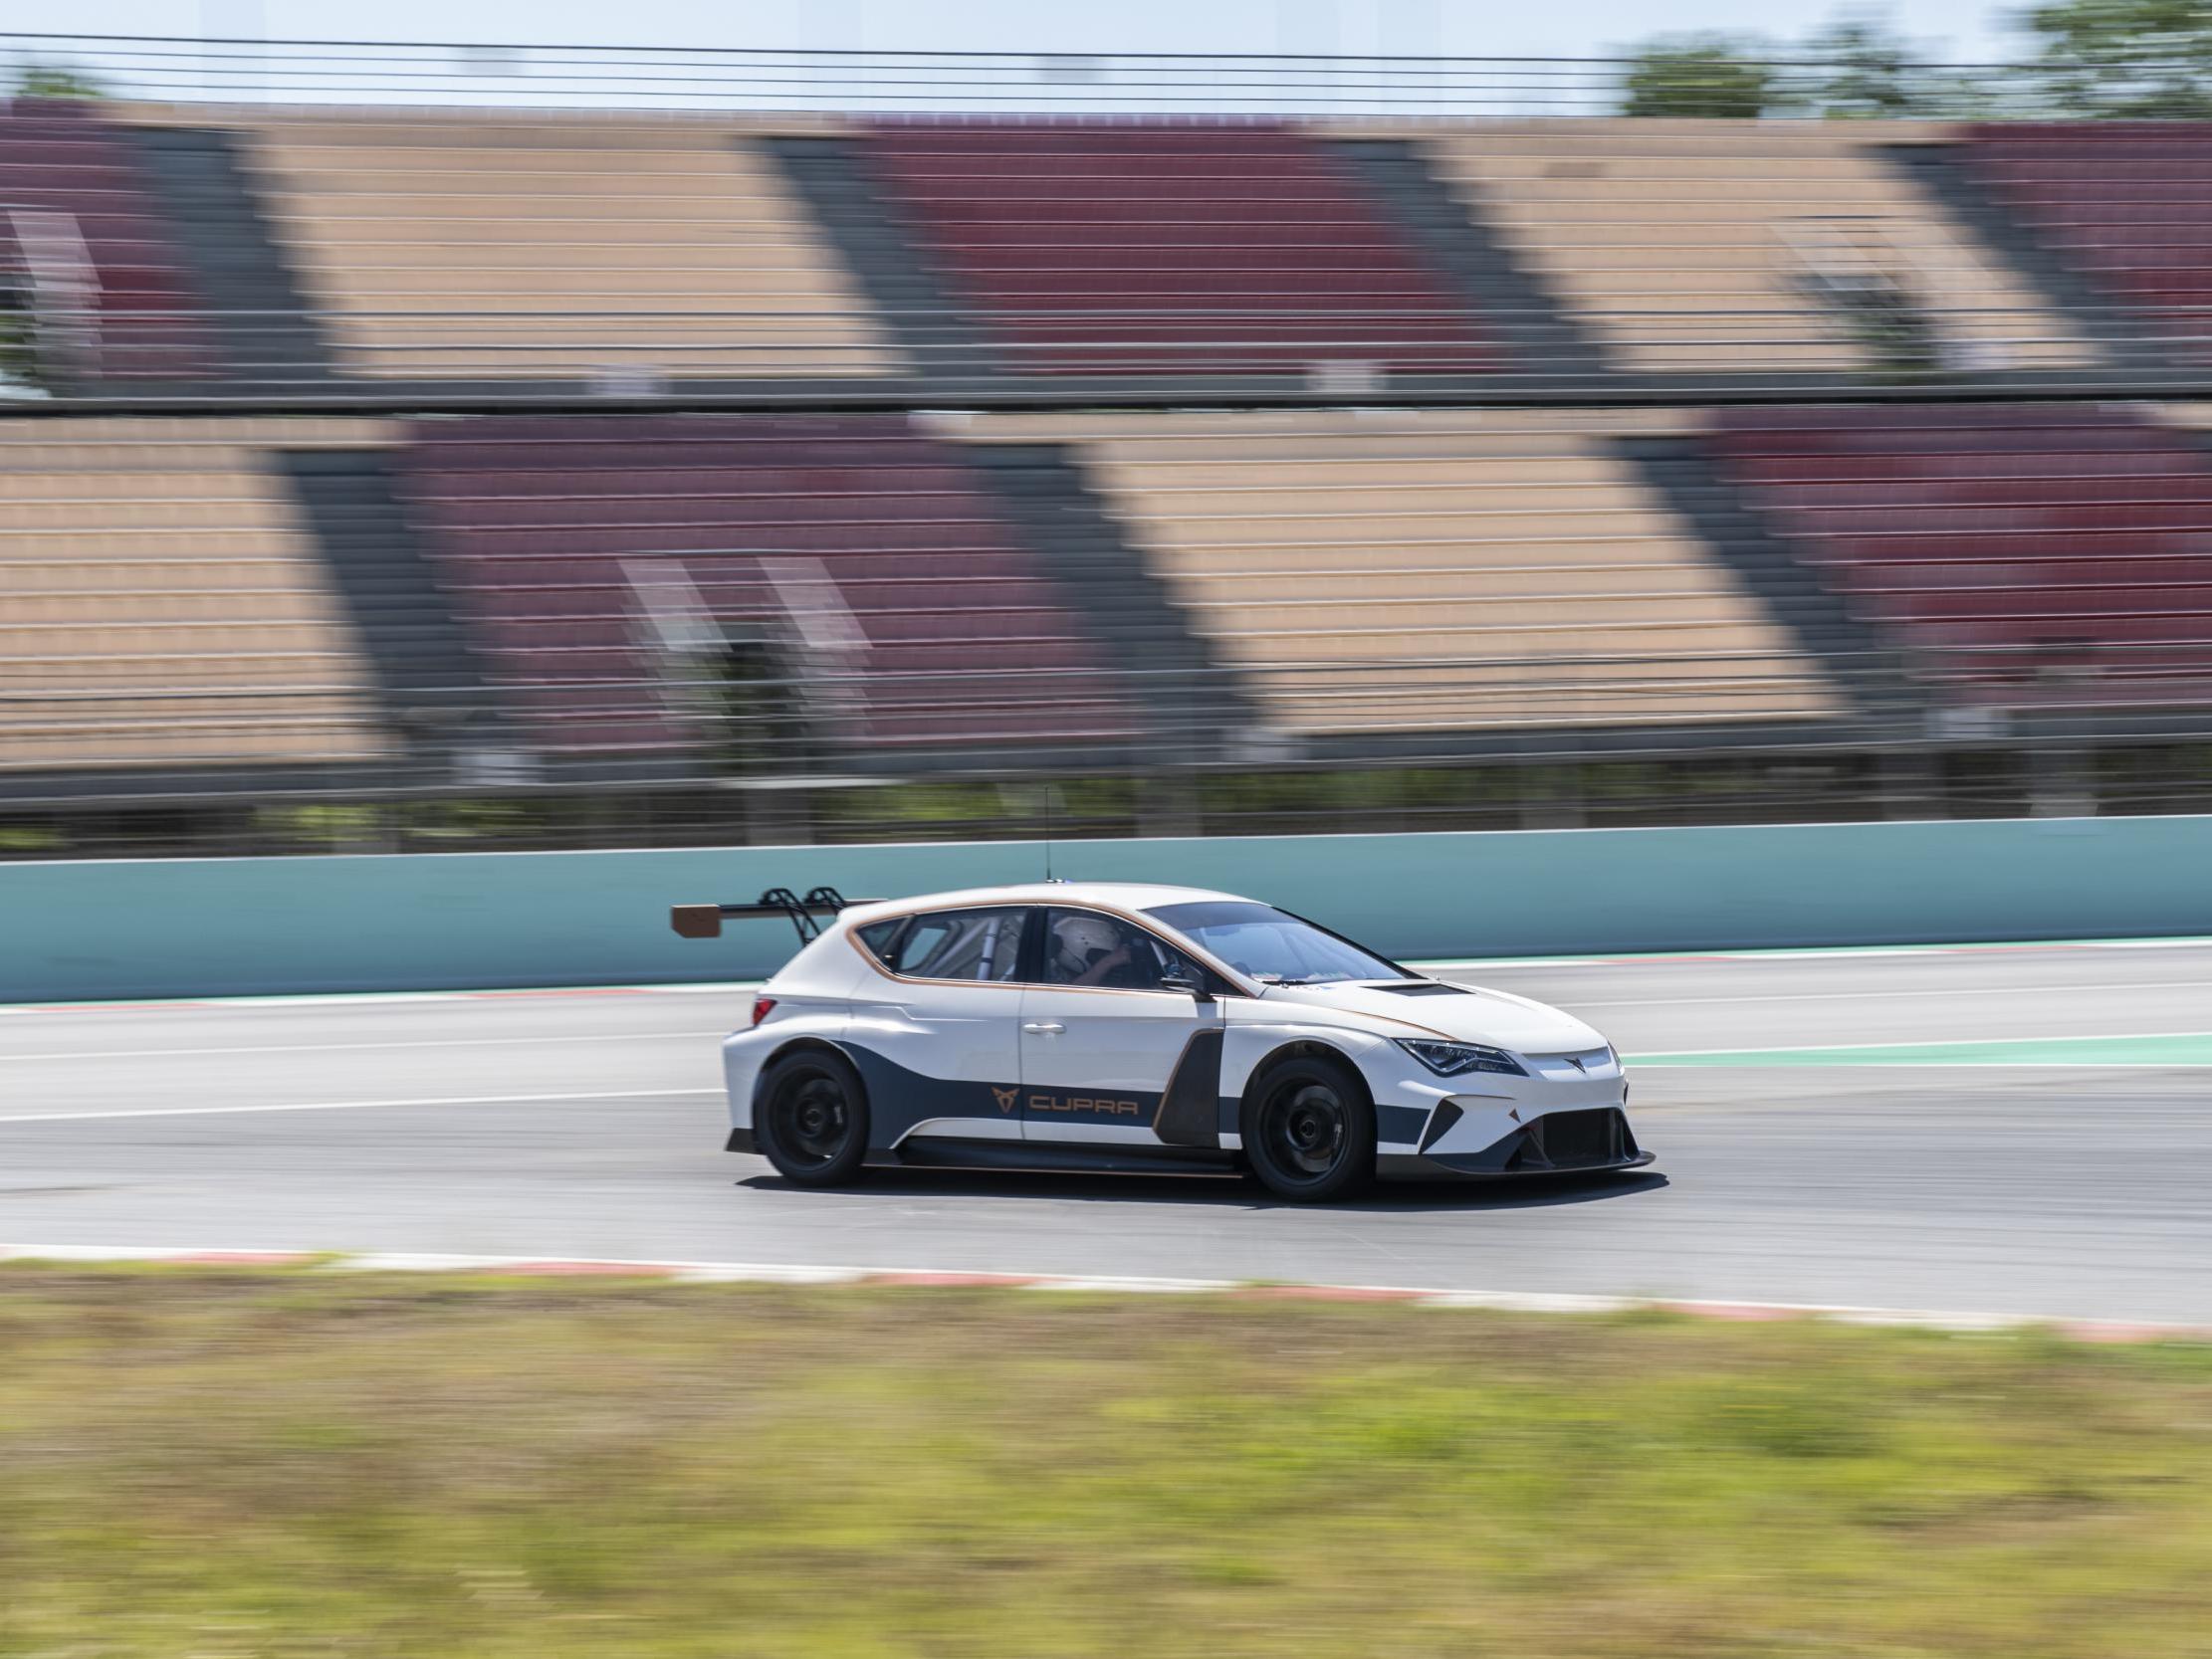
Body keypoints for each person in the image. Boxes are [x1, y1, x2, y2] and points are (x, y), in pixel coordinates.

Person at [1050, 913, 1141, 988]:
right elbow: (1071, 996)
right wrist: (1107, 962)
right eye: (1100, 954)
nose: (1101, 958)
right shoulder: (1049, 974)